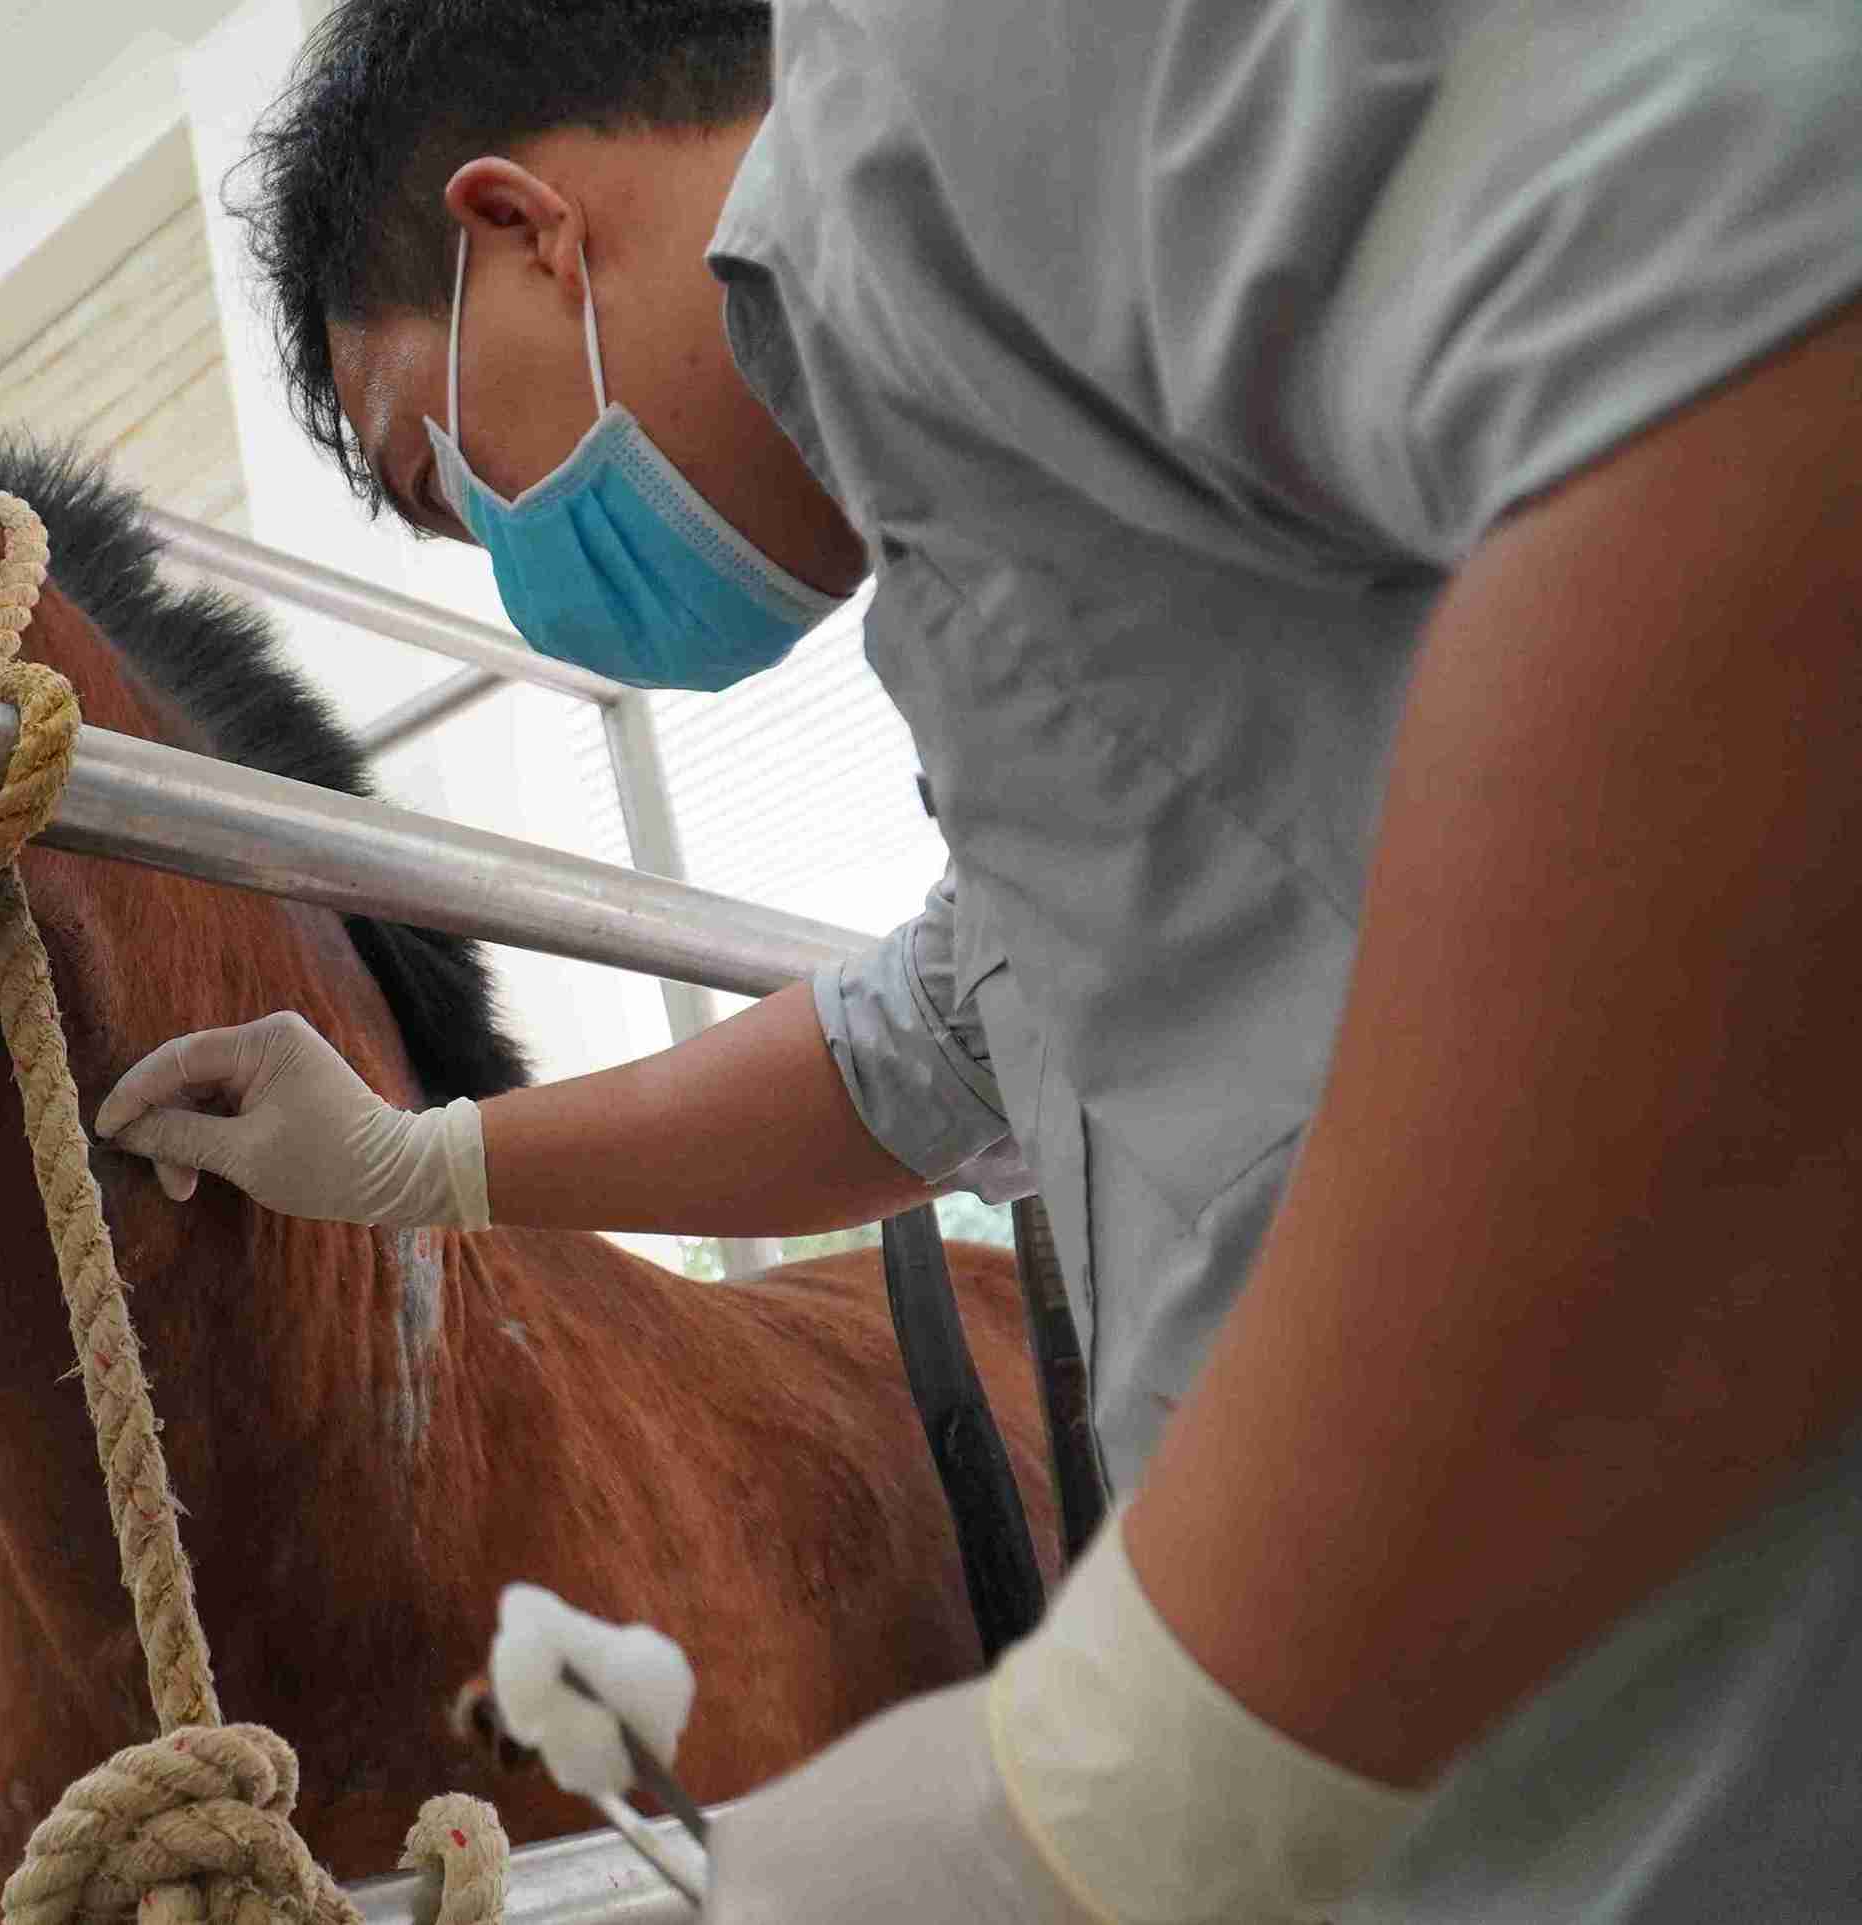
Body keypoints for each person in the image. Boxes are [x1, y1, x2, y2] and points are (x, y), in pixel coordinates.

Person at [93, 4, 1862, 1919]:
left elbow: (1756, 319)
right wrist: (415, 1160)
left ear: (521, 228)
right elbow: (926, 1042)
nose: (525, 574)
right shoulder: (999, 536)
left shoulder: (939, 98)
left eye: (452, 476)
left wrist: (1164, 1749)